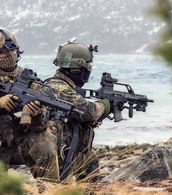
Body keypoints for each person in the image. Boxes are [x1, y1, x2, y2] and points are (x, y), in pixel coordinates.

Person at [39, 39, 110, 181]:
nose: (89, 69)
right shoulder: (59, 87)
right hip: (55, 150)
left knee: (90, 162)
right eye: (87, 66)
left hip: (66, 147)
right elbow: (88, 111)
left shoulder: (59, 85)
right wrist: (105, 105)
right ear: (77, 68)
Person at [0, 28, 57, 179]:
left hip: (19, 145)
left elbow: (41, 126)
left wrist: (37, 114)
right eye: (2, 52)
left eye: (11, 49)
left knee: (46, 139)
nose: (8, 55)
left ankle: (50, 189)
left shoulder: (30, 80)